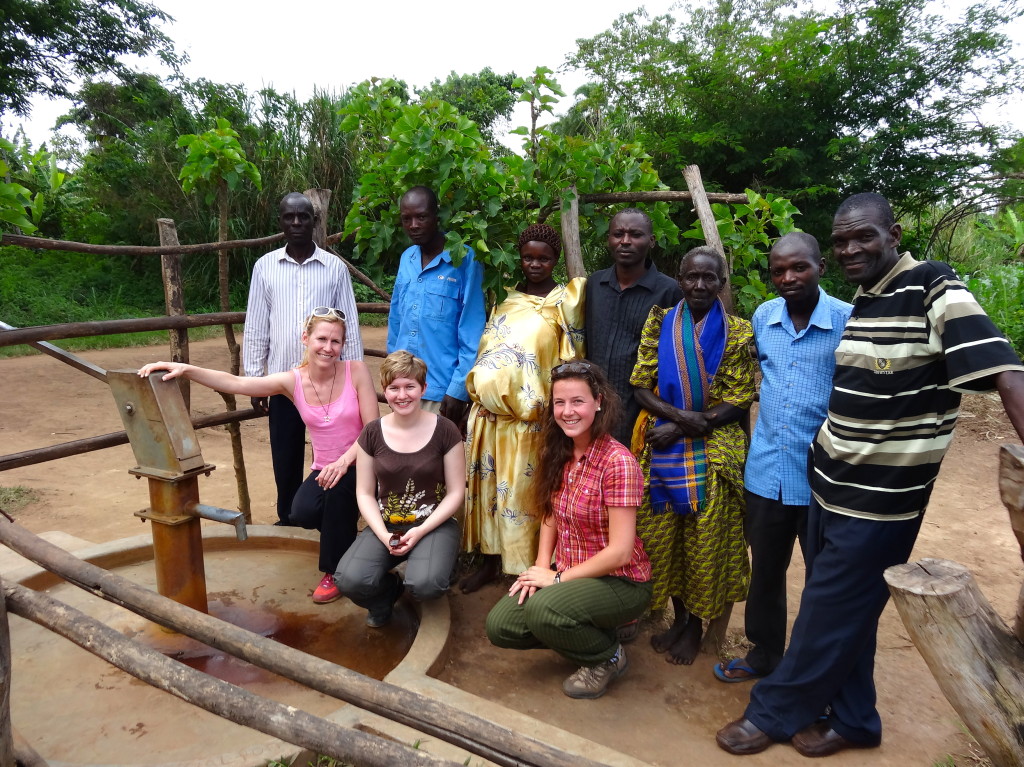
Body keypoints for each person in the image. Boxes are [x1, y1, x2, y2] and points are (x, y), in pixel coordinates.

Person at [716, 193, 1024, 757]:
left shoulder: (932, 285)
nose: (852, 248)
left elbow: (1004, 368)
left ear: (895, 234)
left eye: (864, 237)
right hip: (828, 484)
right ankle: (856, 719)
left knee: (823, 610)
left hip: (882, 498)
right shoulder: (868, 299)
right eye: (842, 240)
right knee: (848, 611)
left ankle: (775, 711)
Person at [139, 309, 379, 602]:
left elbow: (372, 431)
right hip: (325, 467)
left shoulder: (356, 371)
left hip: (362, 460)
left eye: (336, 341)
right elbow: (237, 383)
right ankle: (347, 537)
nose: (328, 348)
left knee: (339, 493)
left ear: (343, 345)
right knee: (300, 512)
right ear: (306, 338)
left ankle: (335, 572)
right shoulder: (291, 381)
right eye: (321, 339)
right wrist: (184, 369)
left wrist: (344, 462)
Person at [714, 233, 852, 682]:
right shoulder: (764, 316)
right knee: (767, 572)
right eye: (779, 270)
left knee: (822, 579)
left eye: (799, 268)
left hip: (822, 479)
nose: (788, 277)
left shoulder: (848, 321)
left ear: (820, 268)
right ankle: (765, 653)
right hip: (766, 473)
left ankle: (811, 666)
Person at [485, 360, 652, 699]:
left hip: (619, 580)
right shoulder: (560, 450)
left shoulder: (617, 462)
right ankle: (587, 629)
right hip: (569, 572)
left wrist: (557, 582)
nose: (567, 411)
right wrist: (542, 565)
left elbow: (620, 551)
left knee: (543, 610)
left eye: (578, 401)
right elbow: (551, 514)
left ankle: (607, 657)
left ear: (598, 402)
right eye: (559, 402)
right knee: (500, 626)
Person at [630, 246, 756, 665]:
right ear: (679, 279)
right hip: (665, 440)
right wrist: (681, 418)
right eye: (691, 277)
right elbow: (640, 385)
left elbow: (739, 398)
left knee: (705, 540)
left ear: (722, 283)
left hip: (715, 446)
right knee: (664, 538)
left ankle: (696, 627)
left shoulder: (738, 332)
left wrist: (692, 422)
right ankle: (676, 619)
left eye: (709, 278)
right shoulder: (661, 322)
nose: (699, 285)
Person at [460, 223, 586, 593]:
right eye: (528, 257)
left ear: (555, 260)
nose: (535, 264)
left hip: (529, 423)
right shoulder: (505, 298)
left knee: (521, 497)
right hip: (487, 417)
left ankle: (523, 571)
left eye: (543, 258)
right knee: (487, 494)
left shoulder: (564, 303)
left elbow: (570, 359)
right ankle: (487, 561)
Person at [244, 192, 363, 525]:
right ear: (280, 221)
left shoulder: (334, 268)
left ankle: (331, 514)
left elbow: (348, 325)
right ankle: (289, 517)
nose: (296, 222)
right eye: (289, 217)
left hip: (328, 383)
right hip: (284, 383)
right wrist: (255, 381)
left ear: (315, 221)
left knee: (332, 450)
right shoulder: (265, 267)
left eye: (303, 217)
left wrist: (351, 380)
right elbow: (256, 325)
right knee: (285, 453)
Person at [334, 351, 465, 627]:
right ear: (385, 391)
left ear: (423, 389)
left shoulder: (446, 430)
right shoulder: (371, 432)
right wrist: (382, 535)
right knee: (349, 579)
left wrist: (420, 530)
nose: (402, 395)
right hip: (387, 523)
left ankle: (433, 569)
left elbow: (455, 492)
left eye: (410, 387)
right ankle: (386, 596)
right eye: (394, 388)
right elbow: (365, 493)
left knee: (426, 584)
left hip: (434, 522)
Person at [387, 186, 486, 431]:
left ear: (436, 216)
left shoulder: (464, 259)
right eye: (406, 219)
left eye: (421, 217)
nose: (413, 225)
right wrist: (392, 376)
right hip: (403, 388)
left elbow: (472, 331)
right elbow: (396, 321)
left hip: (440, 392)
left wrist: (458, 390)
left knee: (437, 465)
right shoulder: (407, 258)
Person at [585, 208, 682, 446]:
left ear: (651, 241)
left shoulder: (669, 291)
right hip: (593, 411)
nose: (625, 241)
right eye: (618, 234)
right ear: (608, 239)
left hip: (642, 413)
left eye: (635, 234)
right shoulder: (594, 284)